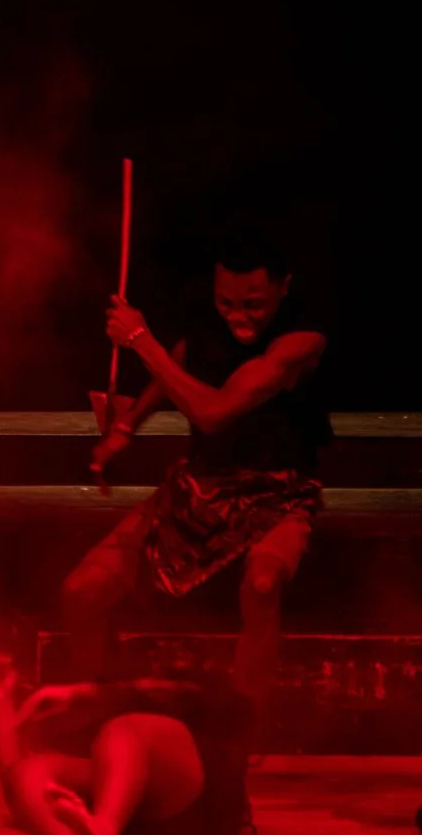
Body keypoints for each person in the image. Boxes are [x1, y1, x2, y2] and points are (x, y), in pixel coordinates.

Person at [72, 238, 328, 714]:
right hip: (199, 488)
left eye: (253, 305)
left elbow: (213, 413)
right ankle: (94, 717)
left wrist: (139, 340)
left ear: (283, 287)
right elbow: (183, 361)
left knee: (263, 584)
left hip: (278, 494)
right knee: (82, 592)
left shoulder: (301, 341)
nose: (237, 317)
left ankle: (244, 728)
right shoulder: (205, 321)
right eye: (226, 303)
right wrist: (126, 427)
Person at [0, 654, 252, 835]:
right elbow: (17, 784)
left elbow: (191, 695)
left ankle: (104, 831)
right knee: (31, 772)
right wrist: (2, 702)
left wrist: (83, 692)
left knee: (124, 730)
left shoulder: (157, 693)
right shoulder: (69, 731)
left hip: (199, 807)